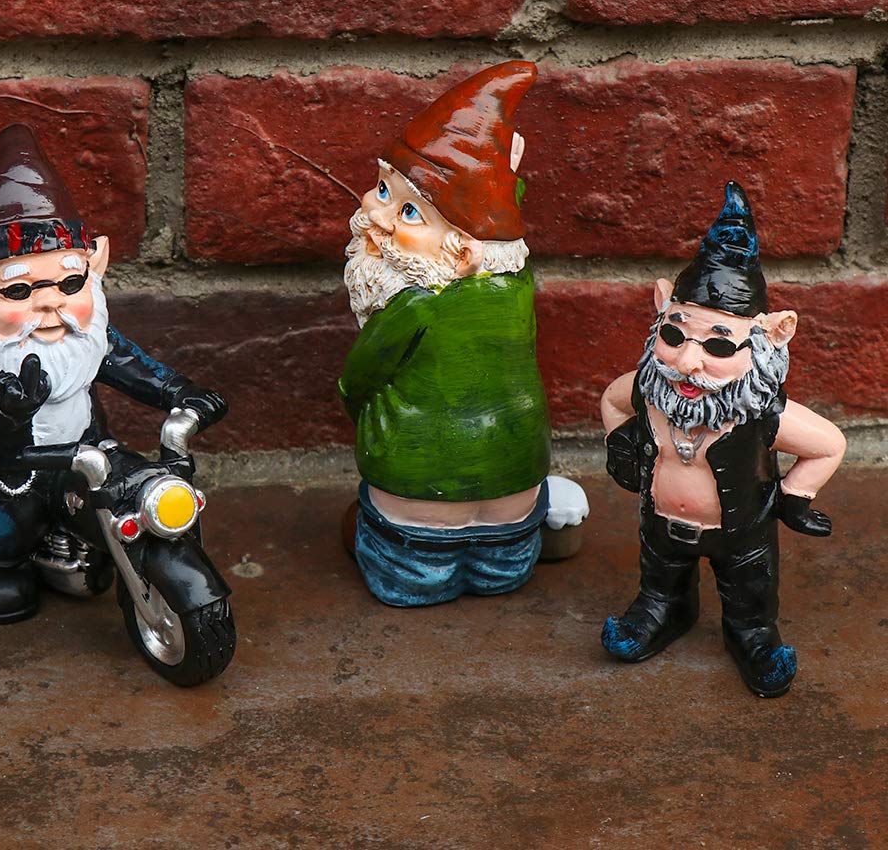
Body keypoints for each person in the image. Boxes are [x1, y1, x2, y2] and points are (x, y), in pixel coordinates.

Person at [0, 123, 227, 624]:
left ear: (97, 266)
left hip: (87, 446)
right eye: (19, 290)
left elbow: (131, 365)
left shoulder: (86, 339)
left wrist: (181, 392)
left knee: (126, 487)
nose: (49, 302)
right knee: (15, 520)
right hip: (17, 462)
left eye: (70, 282)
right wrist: (10, 408)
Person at [339, 61, 588, 607]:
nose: (377, 215)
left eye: (409, 211)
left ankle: (415, 574)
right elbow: (497, 225)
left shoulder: (413, 305)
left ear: (463, 252)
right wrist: (507, 176)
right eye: (382, 188)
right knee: (501, 569)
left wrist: (371, 424)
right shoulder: (518, 284)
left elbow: (356, 384)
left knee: (413, 574)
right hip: (516, 486)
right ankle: (503, 565)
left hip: (416, 495)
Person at [600, 183, 846, 697]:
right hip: (661, 526)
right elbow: (612, 400)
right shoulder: (649, 390)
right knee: (660, 580)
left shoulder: (763, 415)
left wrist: (793, 498)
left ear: (772, 336)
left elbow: (828, 444)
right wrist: (621, 446)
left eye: (717, 346)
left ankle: (752, 636)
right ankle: (663, 609)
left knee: (749, 595)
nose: (688, 362)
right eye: (674, 336)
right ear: (661, 312)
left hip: (741, 535)